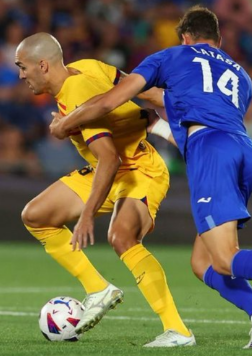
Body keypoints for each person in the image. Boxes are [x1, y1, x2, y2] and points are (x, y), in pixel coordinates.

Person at [49, 6, 252, 349]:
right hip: (244, 151)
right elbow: (180, 103)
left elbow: (110, 101)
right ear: (218, 41)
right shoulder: (241, 76)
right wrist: (154, 119)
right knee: (202, 262)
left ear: (185, 38)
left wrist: (65, 124)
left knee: (224, 258)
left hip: (211, 151)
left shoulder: (171, 56)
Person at [15, 33, 194, 347]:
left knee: (122, 237)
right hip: (107, 168)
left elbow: (110, 158)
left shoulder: (75, 94)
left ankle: (177, 330)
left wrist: (86, 217)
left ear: (42, 65)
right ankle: (98, 289)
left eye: (23, 67)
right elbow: (142, 90)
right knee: (36, 215)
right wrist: (166, 126)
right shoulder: (87, 67)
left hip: (138, 168)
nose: (20, 75)